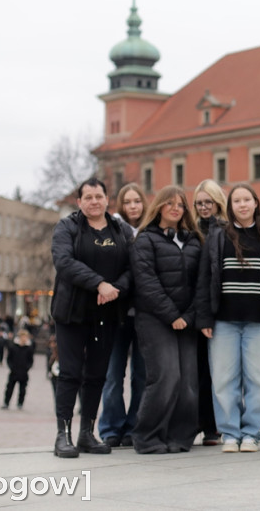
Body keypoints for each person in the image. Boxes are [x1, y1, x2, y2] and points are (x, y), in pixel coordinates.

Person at [196, 183, 260, 453]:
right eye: (237, 201)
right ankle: (229, 433)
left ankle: (251, 433)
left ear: (256, 203)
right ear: (230, 206)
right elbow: (205, 278)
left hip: (259, 322)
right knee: (224, 379)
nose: (243, 205)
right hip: (224, 320)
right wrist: (204, 319)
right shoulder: (218, 236)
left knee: (259, 379)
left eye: (247, 200)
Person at [50, 177, 132, 458]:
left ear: (107, 199)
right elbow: (64, 262)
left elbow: (134, 267)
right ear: (79, 202)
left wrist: (116, 288)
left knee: (97, 375)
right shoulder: (67, 227)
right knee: (70, 374)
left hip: (106, 312)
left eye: (99, 196)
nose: (94, 201)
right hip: (71, 312)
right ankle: (63, 435)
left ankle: (87, 433)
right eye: (88, 197)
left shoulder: (120, 230)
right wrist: (99, 283)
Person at [130, 185, 203, 454]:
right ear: (159, 206)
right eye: (170, 203)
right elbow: (146, 282)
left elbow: (202, 282)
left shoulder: (194, 240)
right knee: (166, 377)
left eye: (181, 204)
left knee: (188, 383)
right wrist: (172, 315)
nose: (175, 208)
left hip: (187, 320)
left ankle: (180, 437)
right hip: (155, 320)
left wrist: (189, 315)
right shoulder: (145, 240)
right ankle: (147, 437)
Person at [100, 182, 148, 448]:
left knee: (141, 376)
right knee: (112, 374)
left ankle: (134, 427)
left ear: (144, 203)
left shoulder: (152, 230)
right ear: (121, 205)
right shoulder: (113, 230)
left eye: (137, 201)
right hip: (116, 312)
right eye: (128, 202)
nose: (133, 206)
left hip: (143, 314)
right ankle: (110, 428)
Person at [192, 179, 227, 445]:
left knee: (221, 372)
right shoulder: (191, 231)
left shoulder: (227, 230)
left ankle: (217, 425)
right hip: (194, 307)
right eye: (200, 203)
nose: (204, 207)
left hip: (221, 308)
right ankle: (204, 425)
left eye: (208, 202)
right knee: (200, 371)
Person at [2, 330, 35, 410]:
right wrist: (11, 367)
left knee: (22, 390)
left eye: (26, 337)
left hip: (23, 373)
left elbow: (30, 360)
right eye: (23, 336)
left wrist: (27, 368)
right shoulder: (13, 346)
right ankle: (6, 402)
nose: (24, 338)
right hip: (14, 372)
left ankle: (20, 403)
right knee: (9, 388)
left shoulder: (29, 348)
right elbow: (9, 359)